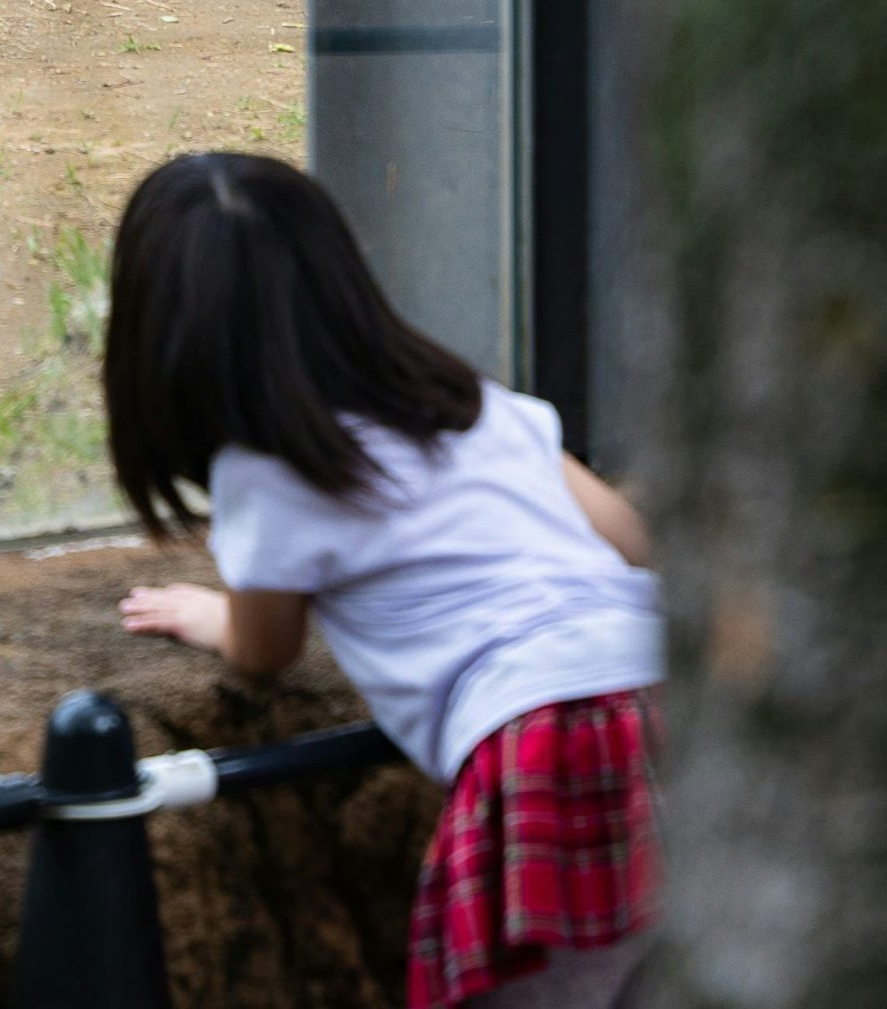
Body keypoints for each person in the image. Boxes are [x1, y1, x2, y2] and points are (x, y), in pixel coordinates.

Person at [104, 151, 662, 1009]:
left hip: (546, 732)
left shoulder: (270, 472)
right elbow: (629, 537)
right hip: (664, 686)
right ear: (344, 282)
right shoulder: (470, 403)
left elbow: (264, 648)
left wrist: (210, 615)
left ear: (163, 343)